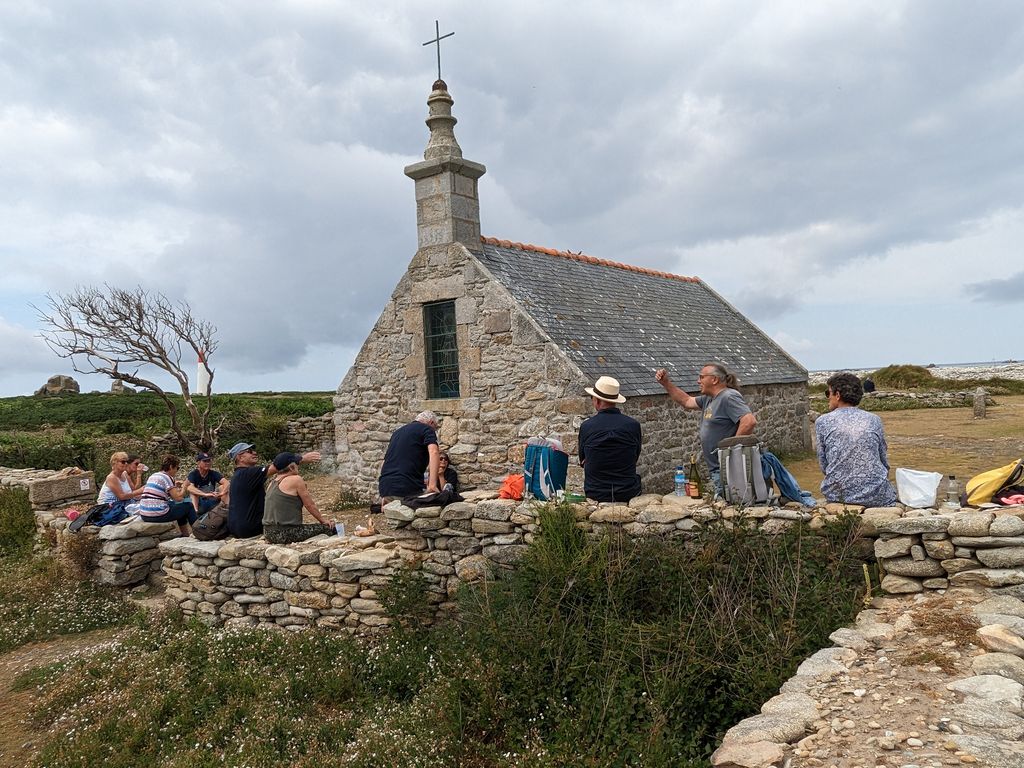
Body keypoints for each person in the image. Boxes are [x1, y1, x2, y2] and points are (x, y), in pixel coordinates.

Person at [655, 363, 757, 492]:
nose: (698, 381)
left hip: (729, 470)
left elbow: (749, 421)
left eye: (701, 377)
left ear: (714, 379)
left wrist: (731, 453)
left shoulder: (729, 396)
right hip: (718, 469)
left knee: (732, 506)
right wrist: (666, 383)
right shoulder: (709, 399)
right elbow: (686, 401)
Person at [815, 372, 898, 507]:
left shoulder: (823, 422)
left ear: (837, 395)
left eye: (828, 393)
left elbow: (824, 463)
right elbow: (883, 459)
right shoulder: (874, 420)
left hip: (838, 493)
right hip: (876, 493)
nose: (828, 397)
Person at [226, 442, 321, 538]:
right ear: (240, 457)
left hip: (236, 528)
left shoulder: (238, 475)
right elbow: (279, 464)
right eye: (249, 451)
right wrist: (300, 459)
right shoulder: (247, 474)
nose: (254, 453)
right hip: (250, 529)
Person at [578, 376, 642, 502]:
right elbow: (635, 457)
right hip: (627, 491)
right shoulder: (633, 425)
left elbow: (583, 460)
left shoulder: (587, 426)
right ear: (615, 401)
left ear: (597, 401)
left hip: (595, 492)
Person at [262, 453, 335, 544]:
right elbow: (309, 505)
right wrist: (323, 521)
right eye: (297, 464)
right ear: (291, 467)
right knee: (330, 529)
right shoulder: (296, 479)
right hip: (286, 532)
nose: (298, 466)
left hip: (268, 533)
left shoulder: (272, 483)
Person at [378, 411, 440, 504]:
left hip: (386, 486)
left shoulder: (397, 433)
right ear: (431, 423)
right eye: (435, 428)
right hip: (407, 485)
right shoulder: (426, 428)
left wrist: (387, 494)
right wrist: (432, 485)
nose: (434, 431)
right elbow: (434, 452)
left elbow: (385, 461)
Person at [137, 455, 197, 534]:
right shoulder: (167, 477)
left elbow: (163, 494)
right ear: (171, 467)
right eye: (177, 468)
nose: (177, 471)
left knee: (181, 504)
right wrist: (185, 486)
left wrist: (175, 486)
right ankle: (198, 531)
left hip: (145, 514)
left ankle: (185, 534)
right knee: (188, 505)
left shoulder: (154, 475)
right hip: (157, 514)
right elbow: (178, 498)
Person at [185, 452, 228, 516]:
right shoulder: (193, 474)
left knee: (222, 487)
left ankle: (226, 511)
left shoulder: (213, 473)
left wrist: (221, 493)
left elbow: (227, 483)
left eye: (209, 461)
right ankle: (196, 514)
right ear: (198, 463)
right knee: (193, 493)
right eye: (205, 461)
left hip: (212, 499)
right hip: (200, 502)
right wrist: (205, 494)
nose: (207, 463)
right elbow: (190, 488)